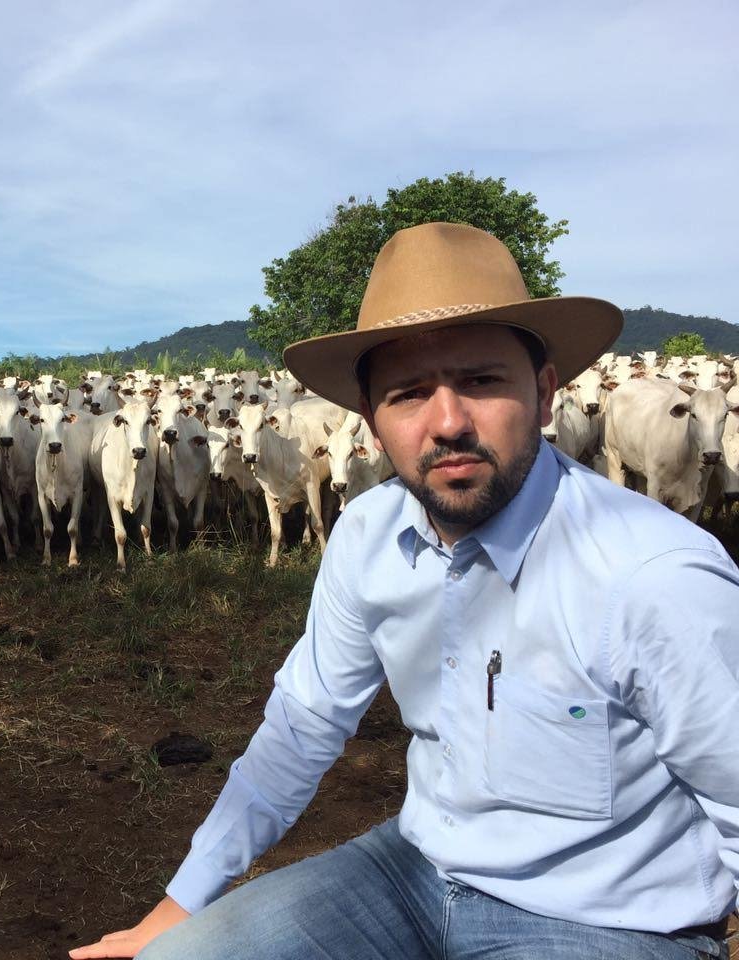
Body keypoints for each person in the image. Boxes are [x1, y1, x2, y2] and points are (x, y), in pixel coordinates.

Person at [70, 222, 739, 960]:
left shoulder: (655, 573)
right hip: (413, 875)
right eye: (409, 393)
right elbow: (302, 726)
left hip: (605, 920)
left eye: (482, 381)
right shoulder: (366, 534)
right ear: (371, 426)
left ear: (545, 394)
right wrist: (176, 909)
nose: (447, 422)